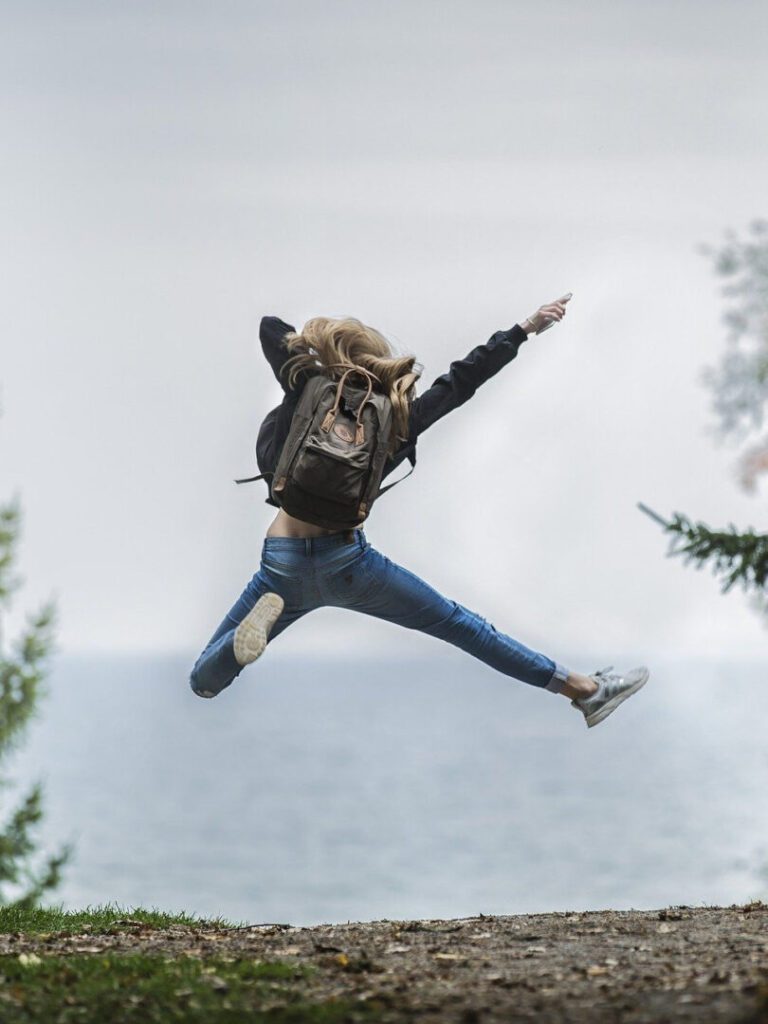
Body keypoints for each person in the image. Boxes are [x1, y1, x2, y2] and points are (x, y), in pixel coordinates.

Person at [189, 295, 649, 728]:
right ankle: (583, 690)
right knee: (462, 627)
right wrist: (524, 329)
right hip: (348, 564)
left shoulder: (307, 387)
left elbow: (271, 328)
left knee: (203, 682)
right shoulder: (395, 417)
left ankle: (237, 647)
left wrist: (321, 355)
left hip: (282, 563)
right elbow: (460, 383)